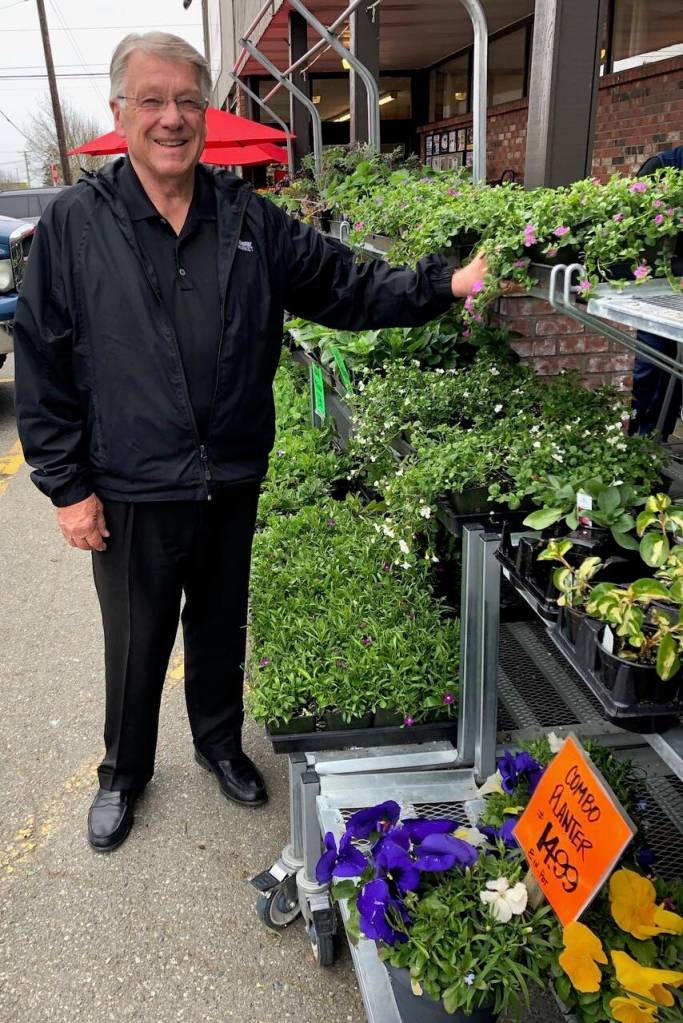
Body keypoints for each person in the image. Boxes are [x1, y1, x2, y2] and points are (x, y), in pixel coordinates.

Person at [13, 32, 487, 853]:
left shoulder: (246, 218)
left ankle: (219, 744)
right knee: (136, 639)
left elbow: (344, 284)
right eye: (152, 100)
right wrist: (68, 487)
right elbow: (43, 360)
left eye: (186, 100)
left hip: (228, 473)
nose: (171, 117)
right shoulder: (73, 226)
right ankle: (122, 773)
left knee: (220, 624)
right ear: (121, 111)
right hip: (129, 482)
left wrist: (444, 283)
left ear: (204, 112)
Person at [629, 144, 683, 442]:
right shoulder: (662, 166)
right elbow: (634, 235)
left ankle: (657, 441)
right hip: (660, 288)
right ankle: (641, 444)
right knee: (653, 366)